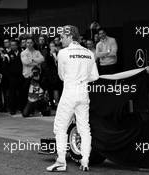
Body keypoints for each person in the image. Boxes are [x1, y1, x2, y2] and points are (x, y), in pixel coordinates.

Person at [47, 25, 99, 172]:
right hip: (84, 93)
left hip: (69, 93)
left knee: (60, 127)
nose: (61, 40)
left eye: (63, 37)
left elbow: (61, 76)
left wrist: (74, 77)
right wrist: (82, 77)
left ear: (70, 36)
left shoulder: (63, 53)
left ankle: (61, 161)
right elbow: (95, 76)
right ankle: (85, 161)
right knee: (84, 128)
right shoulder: (89, 52)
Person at [21, 36, 44, 111]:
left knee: (36, 94)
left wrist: (32, 59)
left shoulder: (37, 52)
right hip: (27, 76)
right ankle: (26, 110)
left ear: (33, 43)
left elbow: (42, 59)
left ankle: (35, 109)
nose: (29, 44)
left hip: (36, 77)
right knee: (26, 94)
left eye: (31, 42)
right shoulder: (23, 53)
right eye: (28, 43)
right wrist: (36, 63)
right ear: (26, 44)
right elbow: (26, 62)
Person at [6, 39, 24, 115]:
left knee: (21, 93)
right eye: (12, 45)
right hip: (12, 77)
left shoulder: (22, 53)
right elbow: (5, 67)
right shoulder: (8, 55)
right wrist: (9, 76)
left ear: (17, 45)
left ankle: (21, 108)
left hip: (21, 76)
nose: (13, 46)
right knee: (12, 94)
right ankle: (12, 109)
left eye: (14, 45)